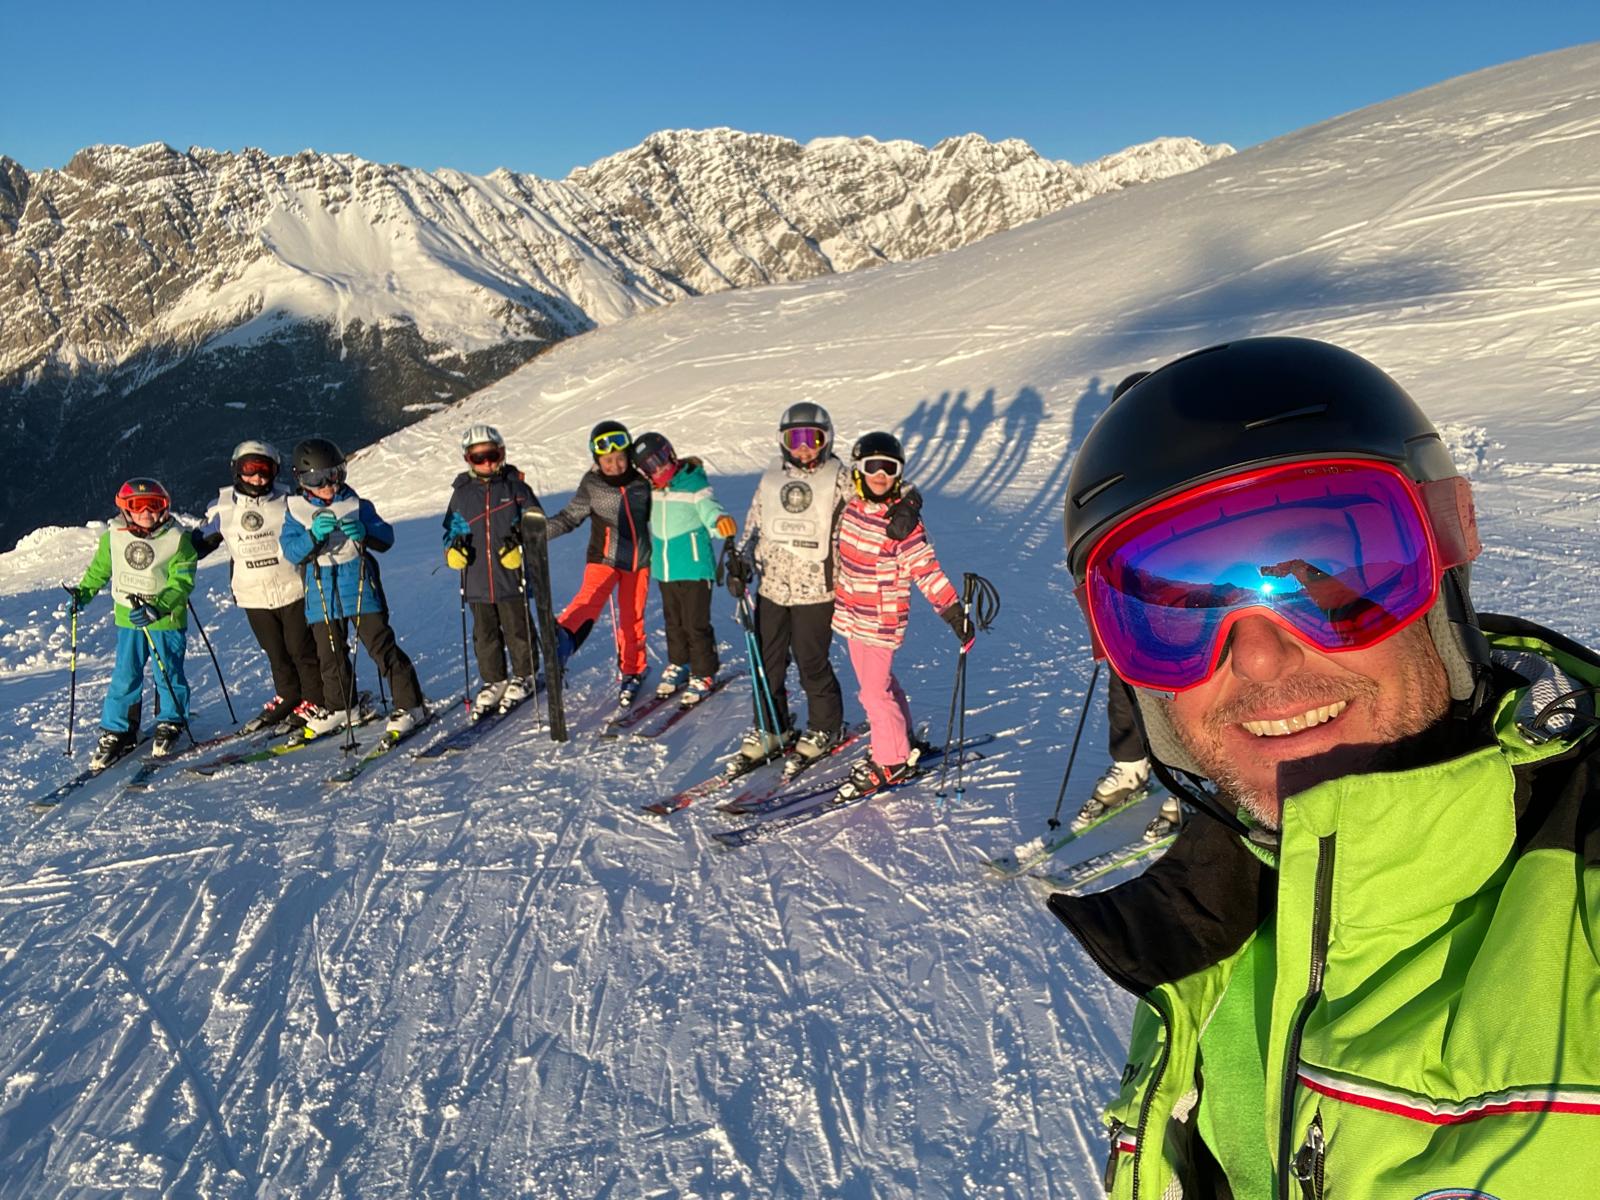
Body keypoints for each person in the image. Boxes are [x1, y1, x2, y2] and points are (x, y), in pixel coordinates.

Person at [1051, 336, 1599, 1197]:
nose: (1260, 660)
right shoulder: (1209, 945)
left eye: (1335, 582)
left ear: (1442, 567)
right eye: (1179, 612)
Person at [831, 432, 971, 799]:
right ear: (858, 471)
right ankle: (901, 738)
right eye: (872, 466)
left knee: (873, 694)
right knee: (882, 684)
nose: (880, 474)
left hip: (879, 619)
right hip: (851, 614)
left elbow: (925, 570)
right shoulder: (851, 507)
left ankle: (891, 759)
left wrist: (953, 611)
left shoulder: (903, 523)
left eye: (889, 468)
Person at [1070, 370, 1177, 841]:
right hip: (1122, 598)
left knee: (1176, 692)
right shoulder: (1108, 468)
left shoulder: (1183, 458)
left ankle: (1187, 782)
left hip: (1177, 603)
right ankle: (1132, 767)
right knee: (1124, 689)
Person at [728, 402, 851, 769]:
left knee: (811, 660)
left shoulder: (840, 478)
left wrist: (905, 500)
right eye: (794, 439)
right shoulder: (772, 479)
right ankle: (772, 726)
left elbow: (877, 498)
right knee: (767, 663)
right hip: (773, 589)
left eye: (811, 438)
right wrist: (741, 562)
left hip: (817, 589)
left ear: (825, 439)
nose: (803, 448)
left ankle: (825, 726)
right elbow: (754, 526)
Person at [279, 438, 427, 738]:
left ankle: (411, 705)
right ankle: (341, 707)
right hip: (322, 595)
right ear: (302, 480)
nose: (328, 486)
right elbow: (291, 552)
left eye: (334, 476)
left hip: (360, 586)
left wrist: (365, 531)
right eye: (317, 480)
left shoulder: (356, 505)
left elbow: (386, 538)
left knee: (381, 647)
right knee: (330, 656)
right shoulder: (294, 511)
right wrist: (312, 537)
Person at [191, 441, 328, 733]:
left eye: (264, 470)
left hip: (292, 587)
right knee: (274, 650)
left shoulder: (289, 501)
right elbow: (198, 544)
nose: (257, 478)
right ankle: (289, 695)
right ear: (236, 471)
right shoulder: (223, 508)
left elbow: (314, 531)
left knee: (300, 648)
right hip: (252, 592)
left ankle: (315, 699)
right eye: (249, 470)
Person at [65, 478, 198, 763]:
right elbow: (100, 569)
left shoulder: (177, 539)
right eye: (138, 506)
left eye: (154, 506)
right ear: (125, 509)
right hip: (128, 618)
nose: (147, 513)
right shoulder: (114, 536)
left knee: (167, 671)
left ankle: (171, 720)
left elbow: (183, 581)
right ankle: (119, 728)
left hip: (165, 620)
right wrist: (83, 594)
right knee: (125, 673)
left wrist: (159, 607)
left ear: (164, 508)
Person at [545, 420, 653, 707]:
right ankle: (562, 640)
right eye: (607, 461)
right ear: (598, 460)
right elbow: (569, 517)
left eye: (620, 458)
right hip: (604, 558)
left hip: (638, 562)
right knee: (590, 599)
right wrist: (536, 533)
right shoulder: (592, 485)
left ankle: (633, 671)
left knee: (632, 619)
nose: (615, 465)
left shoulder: (643, 482)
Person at [443, 423, 543, 719]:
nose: (488, 463)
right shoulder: (461, 495)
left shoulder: (516, 489)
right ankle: (495, 679)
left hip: (510, 576)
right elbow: (451, 529)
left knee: (517, 628)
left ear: (502, 453)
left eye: (493, 455)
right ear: (468, 460)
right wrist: (452, 551)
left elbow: (536, 524)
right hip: (475, 578)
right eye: (479, 458)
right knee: (484, 634)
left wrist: (520, 545)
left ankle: (524, 674)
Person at [631, 431, 737, 704]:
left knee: (695, 623)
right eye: (649, 466)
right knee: (673, 621)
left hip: (694, 567)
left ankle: (704, 671)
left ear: (671, 454)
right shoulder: (649, 492)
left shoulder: (693, 484)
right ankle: (679, 663)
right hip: (665, 569)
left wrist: (719, 521)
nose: (658, 469)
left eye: (660, 460)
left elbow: (710, 508)